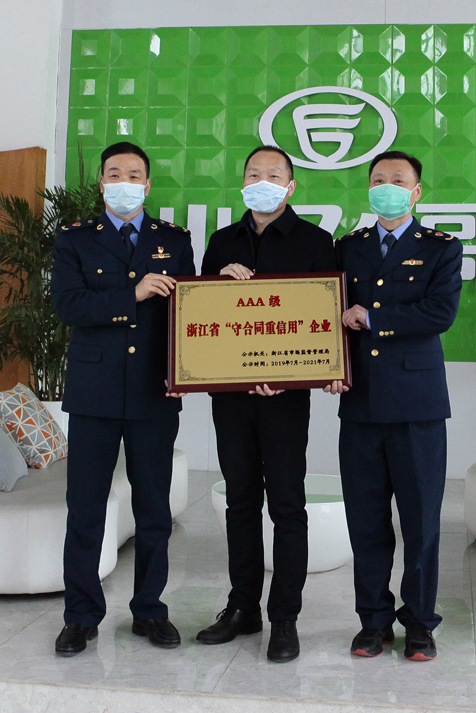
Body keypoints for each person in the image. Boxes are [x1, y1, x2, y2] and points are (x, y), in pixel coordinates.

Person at [51, 141, 195, 656]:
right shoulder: (75, 239)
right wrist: (130, 294)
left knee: (154, 509)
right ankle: (80, 616)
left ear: (148, 185)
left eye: (134, 175)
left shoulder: (173, 239)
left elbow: (189, 313)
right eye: (115, 174)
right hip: (94, 392)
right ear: (102, 183)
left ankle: (150, 610)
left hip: (155, 390)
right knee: (85, 508)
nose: (124, 182)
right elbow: (67, 304)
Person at [195, 145, 336, 663]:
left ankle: (284, 618)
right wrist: (218, 283)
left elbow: (323, 320)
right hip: (230, 396)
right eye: (254, 173)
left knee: (286, 505)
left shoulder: (316, 242)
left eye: (274, 175)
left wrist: (288, 374)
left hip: (285, 399)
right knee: (239, 502)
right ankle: (242, 607)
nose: (263, 181)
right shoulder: (221, 242)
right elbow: (201, 316)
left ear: (291, 186)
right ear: (243, 182)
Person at [324, 150, 462, 662]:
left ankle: (420, 623)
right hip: (359, 401)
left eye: (398, 181)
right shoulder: (349, 247)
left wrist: (374, 316)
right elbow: (324, 310)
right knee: (366, 521)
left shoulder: (441, 247)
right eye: (379, 179)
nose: (388, 187)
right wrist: (328, 365)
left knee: (421, 521)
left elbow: (440, 312)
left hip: (416, 405)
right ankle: (373, 621)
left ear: (416, 192)